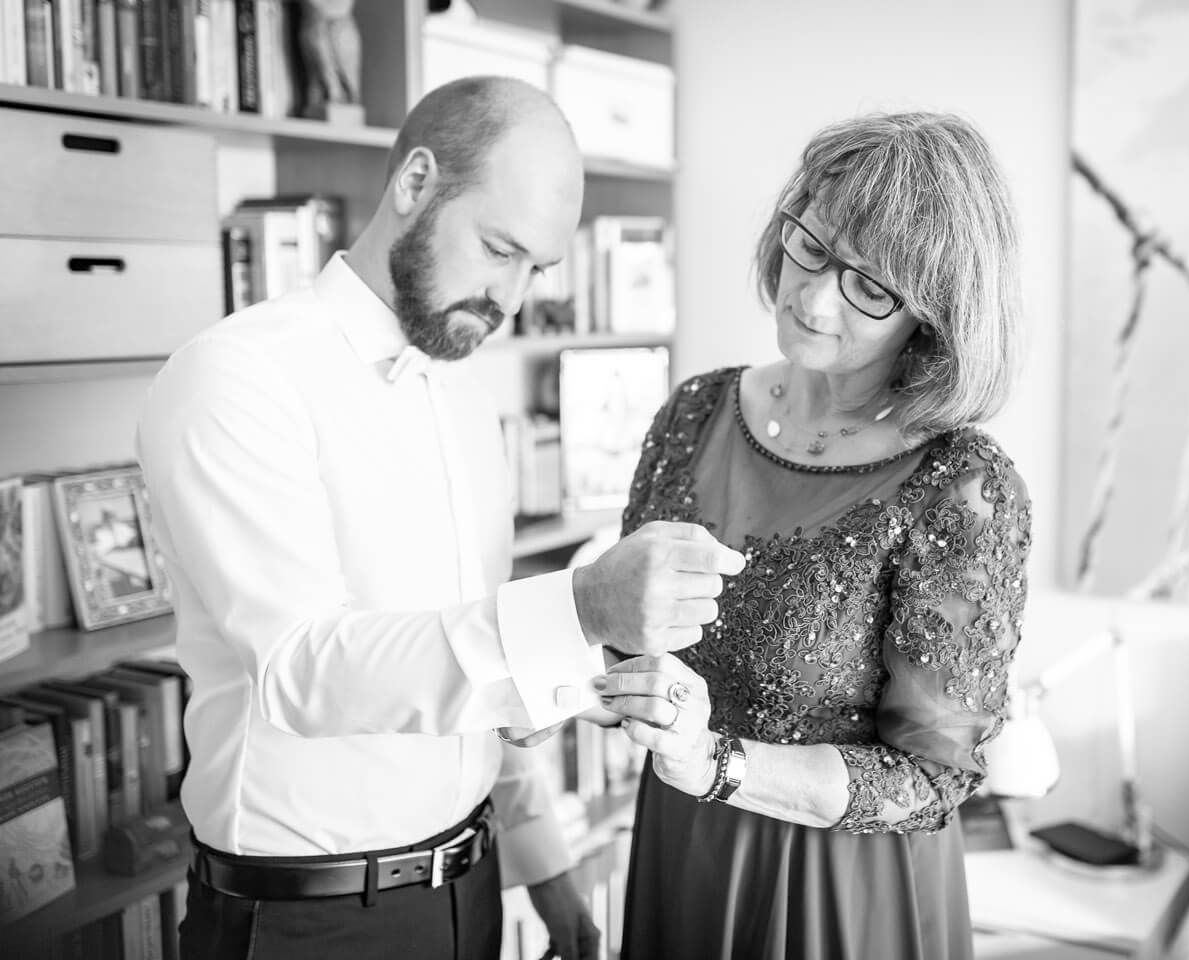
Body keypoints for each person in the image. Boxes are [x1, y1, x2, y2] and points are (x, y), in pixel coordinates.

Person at [137, 76, 744, 960]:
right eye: (499, 248)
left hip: (472, 889)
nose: (514, 296)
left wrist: (543, 859)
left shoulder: (464, 395)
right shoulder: (235, 380)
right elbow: (304, 670)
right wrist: (579, 608)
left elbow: (469, 666)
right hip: (306, 920)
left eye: (536, 268)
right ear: (415, 183)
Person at [595, 112, 1033, 960]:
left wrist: (719, 764)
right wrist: (570, 685)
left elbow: (934, 778)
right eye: (812, 244)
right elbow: (628, 637)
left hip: (840, 895)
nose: (814, 295)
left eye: (872, 286)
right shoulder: (693, 413)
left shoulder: (963, 489)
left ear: (936, 315)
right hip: (682, 851)